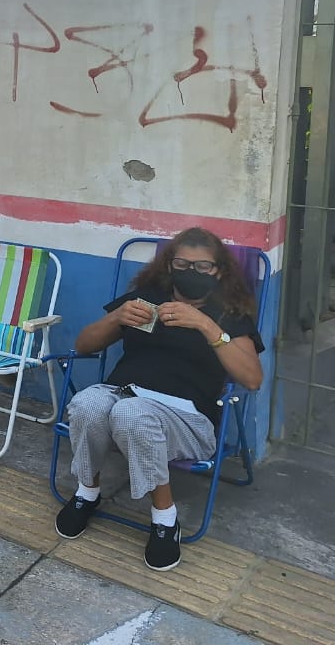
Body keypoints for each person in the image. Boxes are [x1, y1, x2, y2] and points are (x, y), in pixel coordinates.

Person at [54, 227, 264, 572]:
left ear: (219, 271)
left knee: (131, 413)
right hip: (122, 396)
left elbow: (252, 379)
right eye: (181, 263)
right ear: (169, 265)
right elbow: (83, 346)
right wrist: (116, 317)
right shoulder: (148, 299)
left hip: (184, 419)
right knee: (90, 403)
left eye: (202, 267)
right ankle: (87, 492)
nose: (190, 272)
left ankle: (166, 520)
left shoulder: (228, 316)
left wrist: (207, 326)